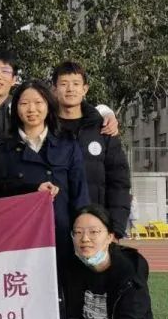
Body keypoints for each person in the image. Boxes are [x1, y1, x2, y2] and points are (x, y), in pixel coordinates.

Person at [0, 79, 89, 265]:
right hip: (19, 239)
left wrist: (82, 233)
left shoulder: (67, 144)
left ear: (48, 106)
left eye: (38, 102)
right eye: (24, 103)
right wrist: (33, 190)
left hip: (60, 236)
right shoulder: (3, 149)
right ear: (16, 108)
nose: (32, 109)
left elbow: (80, 193)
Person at [51, 61, 131, 238]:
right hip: (54, 229)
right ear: (54, 89)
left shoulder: (104, 128)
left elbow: (119, 181)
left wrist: (116, 228)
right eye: (64, 84)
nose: (70, 89)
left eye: (76, 84)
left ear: (85, 89)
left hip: (95, 228)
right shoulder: (44, 128)